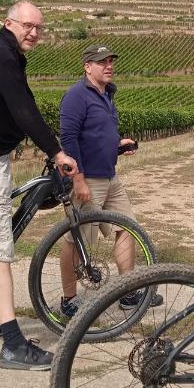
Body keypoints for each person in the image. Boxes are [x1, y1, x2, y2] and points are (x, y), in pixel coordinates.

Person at [0, 0, 77, 371]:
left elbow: (23, 106)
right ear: (9, 23)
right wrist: (56, 152)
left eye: (40, 27)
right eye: (28, 26)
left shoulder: (7, 54)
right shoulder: (1, 55)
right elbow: (23, 110)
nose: (34, 33)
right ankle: (13, 345)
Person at [58, 45, 163, 314]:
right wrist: (78, 179)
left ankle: (127, 294)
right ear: (86, 66)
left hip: (110, 177)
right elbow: (68, 139)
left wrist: (118, 145)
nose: (108, 65)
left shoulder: (107, 95)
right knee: (75, 239)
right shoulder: (76, 95)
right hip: (88, 180)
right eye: (100, 61)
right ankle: (69, 300)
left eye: (110, 61)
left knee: (128, 228)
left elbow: (97, 135)